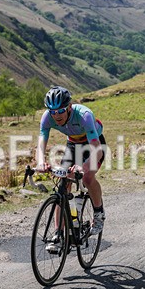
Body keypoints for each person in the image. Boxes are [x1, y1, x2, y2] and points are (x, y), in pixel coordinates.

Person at [36, 86, 106, 250]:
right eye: (53, 111)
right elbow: (41, 144)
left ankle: (99, 213)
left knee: (88, 177)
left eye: (60, 110)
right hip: (73, 144)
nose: (57, 115)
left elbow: (97, 150)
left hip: (93, 143)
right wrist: (40, 162)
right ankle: (58, 235)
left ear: (69, 107)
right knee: (63, 182)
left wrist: (83, 167)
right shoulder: (47, 117)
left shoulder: (84, 115)